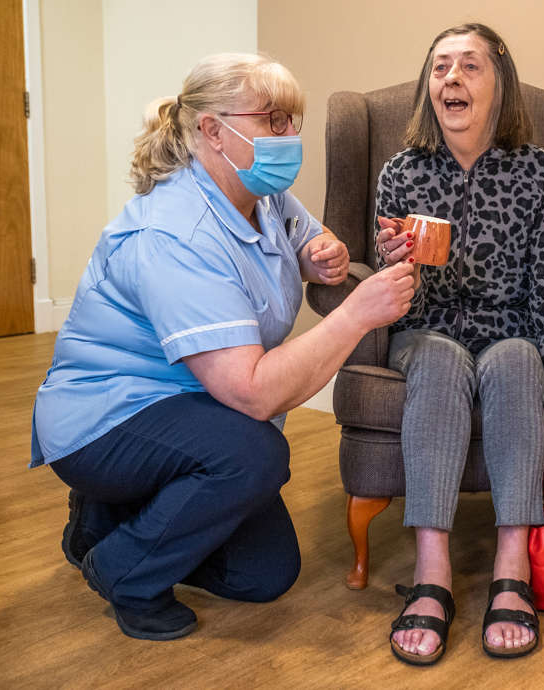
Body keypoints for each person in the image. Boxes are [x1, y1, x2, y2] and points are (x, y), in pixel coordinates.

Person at [30, 53, 414, 641]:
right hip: (109, 417)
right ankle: (122, 572)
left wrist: (323, 255)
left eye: (294, 121)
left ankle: (104, 519)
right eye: (274, 120)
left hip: (195, 408)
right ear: (213, 130)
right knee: (255, 454)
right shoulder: (175, 234)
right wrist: (358, 316)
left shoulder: (264, 197)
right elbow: (253, 394)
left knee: (265, 574)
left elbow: (305, 237)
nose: (290, 136)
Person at [375, 24, 544, 664]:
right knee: (439, 355)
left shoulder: (542, 173)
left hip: (509, 334)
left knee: (520, 357)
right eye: (440, 68)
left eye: (469, 66)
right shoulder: (401, 172)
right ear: (428, 86)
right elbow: (389, 292)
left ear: (499, 84)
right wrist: (391, 264)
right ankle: (432, 575)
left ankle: (511, 568)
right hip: (426, 331)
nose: (452, 79)